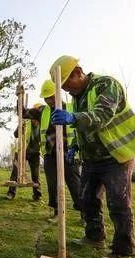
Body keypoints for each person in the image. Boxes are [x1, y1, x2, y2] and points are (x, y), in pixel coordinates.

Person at [49, 55, 135, 258]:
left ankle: (123, 250)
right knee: (86, 199)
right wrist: (75, 146)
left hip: (116, 155)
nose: (66, 90)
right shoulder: (77, 96)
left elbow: (101, 116)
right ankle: (94, 237)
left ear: (79, 72)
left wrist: (73, 118)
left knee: (118, 201)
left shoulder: (106, 85)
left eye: (68, 84)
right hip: (92, 159)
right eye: (63, 87)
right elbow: (83, 129)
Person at [35, 80, 82, 222]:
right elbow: (23, 112)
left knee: (75, 185)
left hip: (69, 154)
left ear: (57, 94)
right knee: (52, 185)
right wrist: (19, 95)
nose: (48, 100)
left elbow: (80, 130)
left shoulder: (71, 108)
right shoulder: (43, 111)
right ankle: (57, 212)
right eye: (45, 98)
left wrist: (76, 150)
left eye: (50, 97)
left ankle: (85, 214)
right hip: (51, 154)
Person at [6, 113, 42, 201]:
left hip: (35, 153)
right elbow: (15, 135)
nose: (34, 120)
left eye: (37, 118)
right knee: (15, 172)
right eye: (33, 117)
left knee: (35, 175)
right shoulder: (25, 122)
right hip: (21, 150)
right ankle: (11, 193)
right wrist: (20, 128)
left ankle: (37, 195)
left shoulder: (42, 124)